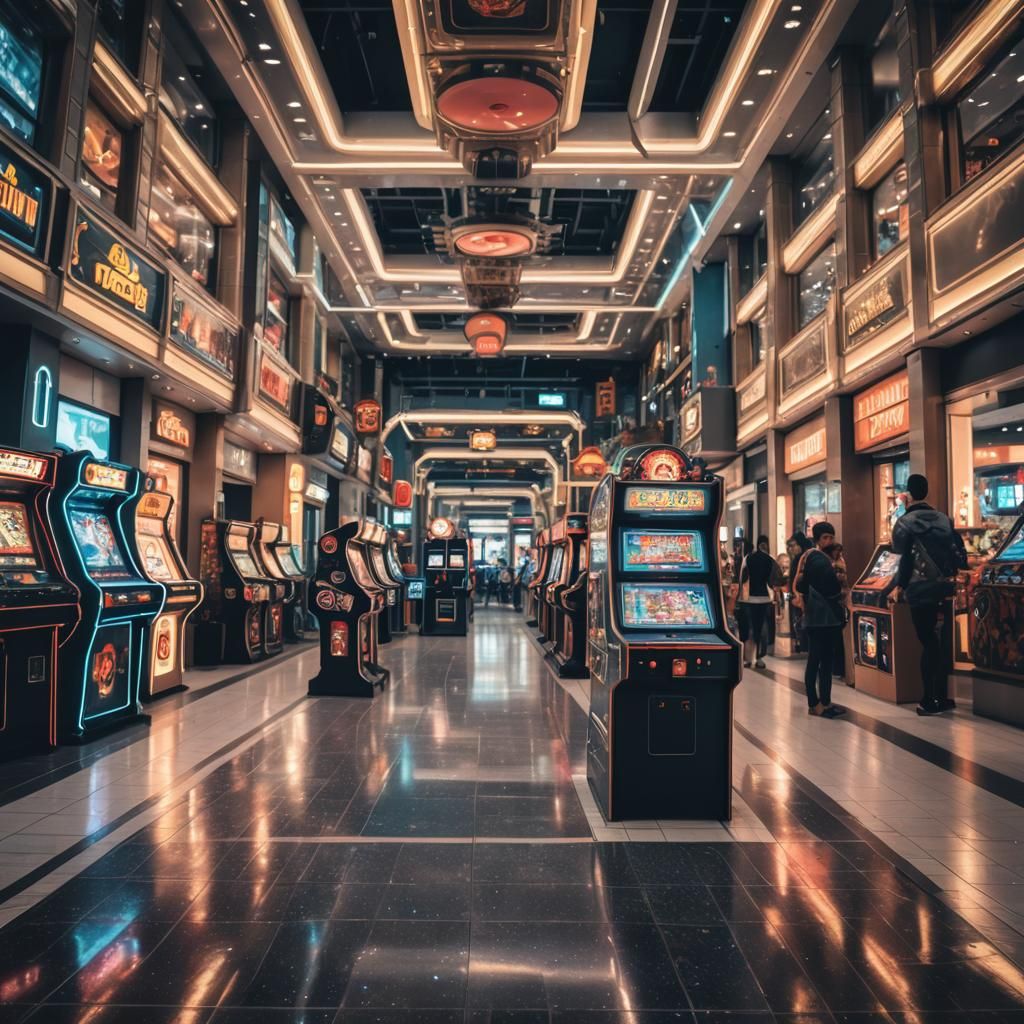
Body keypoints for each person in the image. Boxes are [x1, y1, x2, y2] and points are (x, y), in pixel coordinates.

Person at [889, 473, 968, 716]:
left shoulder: (903, 523)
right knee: (941, 642)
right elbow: (959, 552)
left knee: (928, 642)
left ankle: (927, 699)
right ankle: (943, 697)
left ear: (908, 494)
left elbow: (903, 560)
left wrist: (899, 586)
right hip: (944, 588)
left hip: (919, 590)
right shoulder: (944, 520)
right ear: (927, 491)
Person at [794, 522, 847, 718]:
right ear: (817, 540)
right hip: (822, 617)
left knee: (825, 661)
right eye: (825, 537)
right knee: (816, 660)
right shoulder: (818, 559)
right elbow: (832, 587)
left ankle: (824, 702)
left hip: (822, 618)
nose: (829, 541)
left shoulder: (813, 558)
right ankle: (814, 703)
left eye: (831, 537)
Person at [737, 535, 781, 669]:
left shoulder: (748, 558)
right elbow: (776, 579)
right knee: (761, 628)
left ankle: (748, 659)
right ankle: (760, 658)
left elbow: (741, 578)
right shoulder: (771, 560)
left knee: (748, 628)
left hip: (748, 598)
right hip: (765, 598)